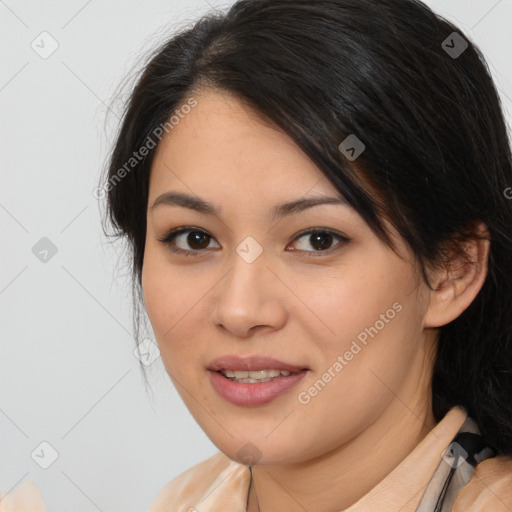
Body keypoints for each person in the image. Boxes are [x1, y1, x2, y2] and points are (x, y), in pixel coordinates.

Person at [2, 0, 511, 511]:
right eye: (194, 238)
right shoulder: (183, 501)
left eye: (317, 240)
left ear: (453, 269)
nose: (239, 311)